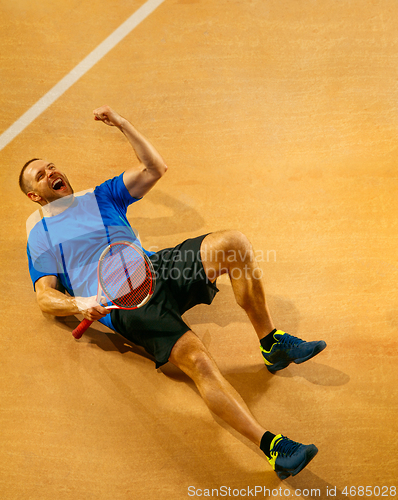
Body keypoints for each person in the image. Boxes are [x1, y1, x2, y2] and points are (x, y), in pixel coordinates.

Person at [20, 105, 327, 480]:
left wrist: (123, 124)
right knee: (197, 361)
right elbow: (43, 297)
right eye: (40, 174)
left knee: (233, 243)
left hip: (156, 268)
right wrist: (78, 302)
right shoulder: (42, 234)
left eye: (51, 166)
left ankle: (271, 342)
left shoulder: (98, 197)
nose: (51, 172)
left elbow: (155, 168)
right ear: (35, 195)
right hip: (125, 304)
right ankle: (272, 447)